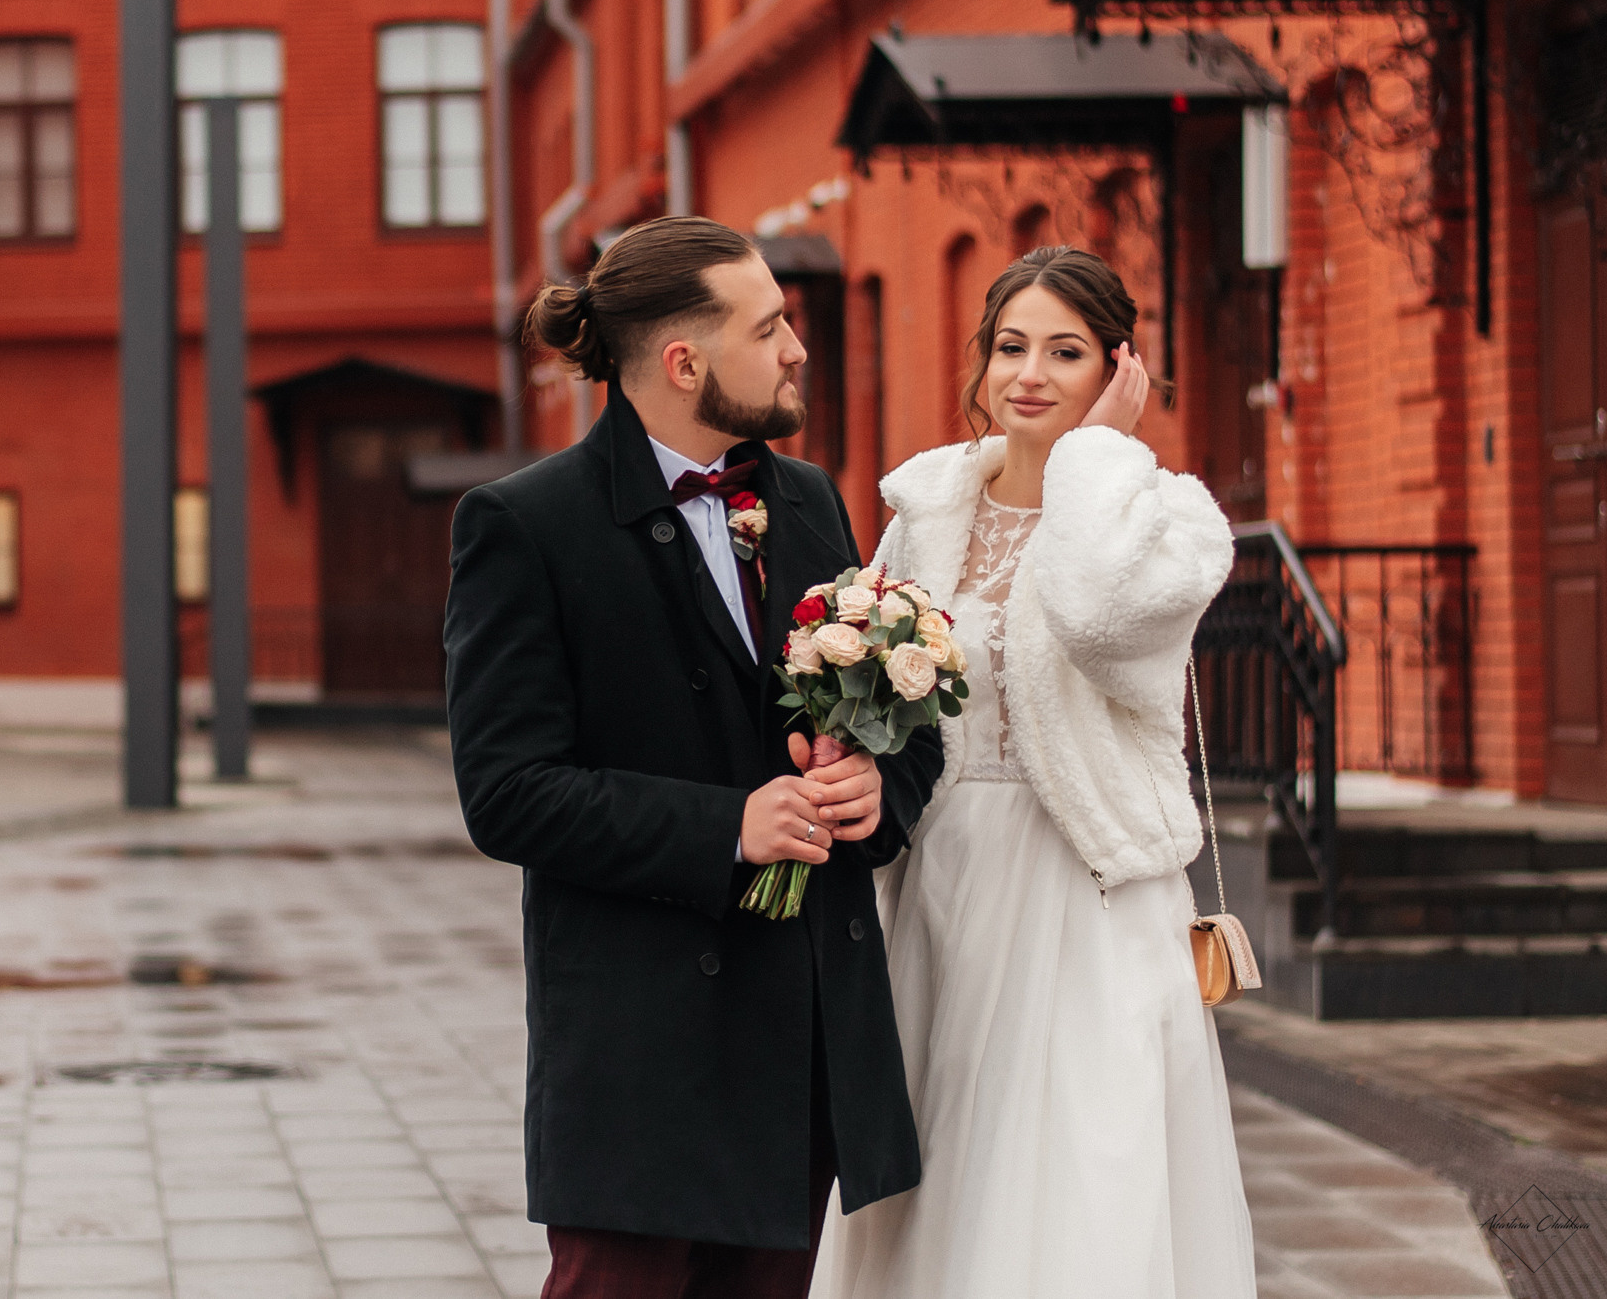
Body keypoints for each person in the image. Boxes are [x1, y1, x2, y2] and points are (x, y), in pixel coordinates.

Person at [444, 216, 945, 1298]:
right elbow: (507, 793)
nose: (796, 347)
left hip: (802, 1037)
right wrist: (728, 828)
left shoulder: (807, 499)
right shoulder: (525, 525)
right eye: (768, 328)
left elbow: (900, 727)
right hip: (642, 1058)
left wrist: (873, 788)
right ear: (684, 362)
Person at [810, 245, 1254, 1298]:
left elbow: (1100, 621)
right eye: (1012, 346)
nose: (1030, 375)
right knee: (947, 1155)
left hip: (1084, 887)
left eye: (1066, 352)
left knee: (1079, 1168)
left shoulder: (1170, 522)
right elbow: (875, 680)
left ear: (1118, 370)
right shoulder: (926, 511)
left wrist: (1099, 458)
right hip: (945, 878)